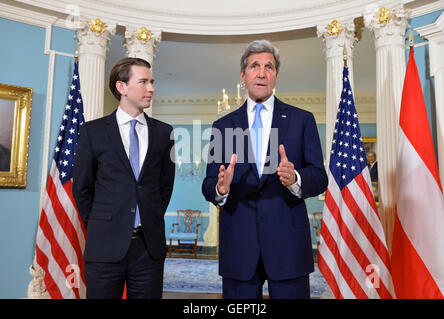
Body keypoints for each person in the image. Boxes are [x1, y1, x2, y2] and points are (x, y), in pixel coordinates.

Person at [202, 40, 328, 299]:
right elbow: (208, 183)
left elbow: (320, 177)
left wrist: (295, 179)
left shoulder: (302, 120)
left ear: (276, 75)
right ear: (243, 74)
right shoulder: (223, 125)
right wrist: (220, 187)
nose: (261, 73)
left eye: (268, 67)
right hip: (239, 247)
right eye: (254, 66)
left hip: (288, 247)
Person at [73, 57, 175, 299]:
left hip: (148, 249)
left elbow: (165, 187)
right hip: (105, 246)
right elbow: (82, 189)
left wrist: (150, 218)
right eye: (143, 82)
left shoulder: (164, 133)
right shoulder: (92, 132)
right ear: (122, 87)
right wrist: (104, 224)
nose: (151, 88)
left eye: (152, 82)